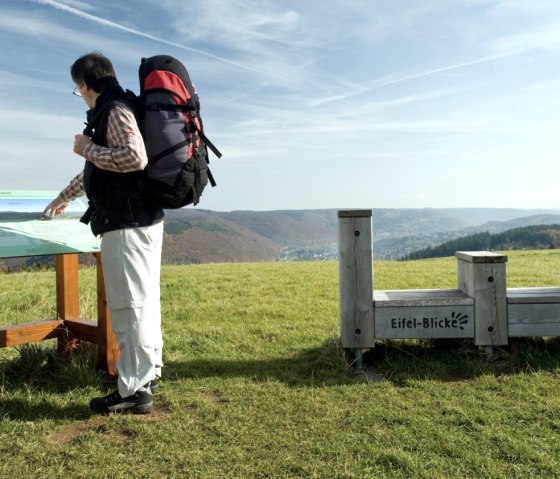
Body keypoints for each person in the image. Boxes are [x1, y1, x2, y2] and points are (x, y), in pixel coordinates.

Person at [44, 52, 164, 414]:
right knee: (143, 302)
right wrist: (63, 197)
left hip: (126, 223)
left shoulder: (114, 110)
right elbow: (98, 171)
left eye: (77, 88)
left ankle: (134, 390)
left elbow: (133, 157)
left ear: (85, 85)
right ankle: (148, 374)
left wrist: (87, 147)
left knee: (130, 306)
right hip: (138, 220)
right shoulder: (117, 106)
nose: (78, 94)